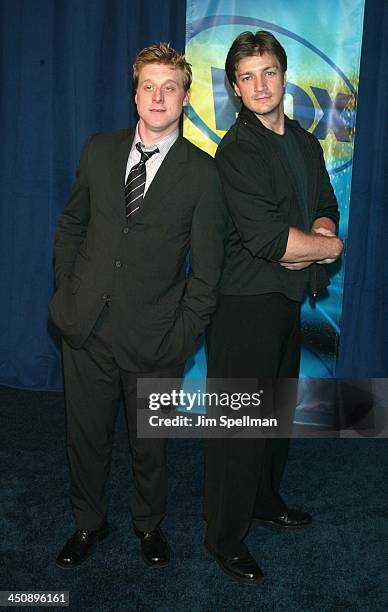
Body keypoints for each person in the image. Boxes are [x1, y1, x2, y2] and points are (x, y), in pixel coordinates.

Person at [49, 43, 227, 570]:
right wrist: (67, 292)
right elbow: (71, 226)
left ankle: (148, 525)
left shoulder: (203, 174)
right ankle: (88, 522)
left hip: (156, 339)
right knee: (85, 439)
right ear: (134, 94)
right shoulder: (99, 150)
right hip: (85, 328)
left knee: (150, 447)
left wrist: (183, 334)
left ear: (185, 99)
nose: (158, 96)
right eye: (149, 85)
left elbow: (208, 272)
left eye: (170, 87)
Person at [204, 31, 343, 585]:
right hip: (244, 304)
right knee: (237, 425)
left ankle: (264, 500)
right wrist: (325, 248)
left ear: (284, 77)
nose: (260, 85)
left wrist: (319, 232)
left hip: (288, 300)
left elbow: (324, 207)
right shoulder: (235, 151)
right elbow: (268, 239)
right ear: (235, 89)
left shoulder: (307, 144)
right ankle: (224, 536)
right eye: (247, 76)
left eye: (268, 72)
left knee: (275, 415)